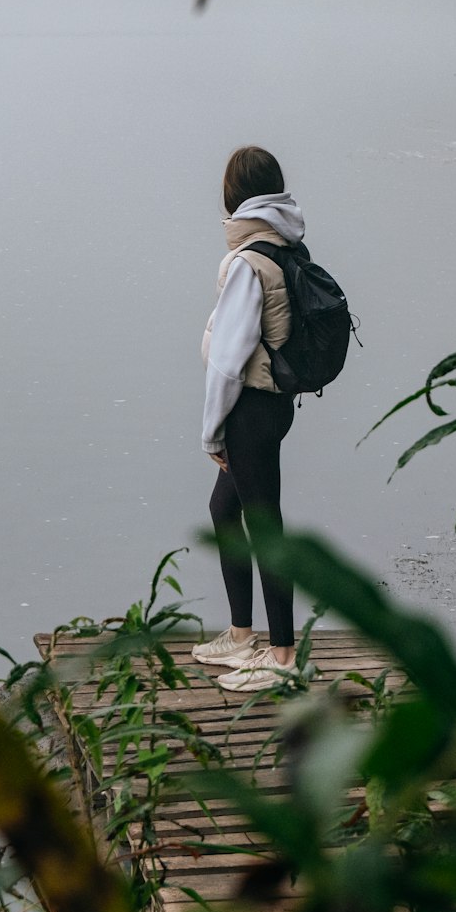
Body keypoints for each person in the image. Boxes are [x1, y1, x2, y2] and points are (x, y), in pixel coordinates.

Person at [191, 146, 302, 693]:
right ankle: (240, 634)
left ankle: (281, 656)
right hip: (274, 405)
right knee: (223, 507)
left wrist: (212, 431)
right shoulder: (283, 243)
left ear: (235, 197)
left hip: (249, 410)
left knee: (264, 526)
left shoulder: (246, 263)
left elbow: (229, 362)